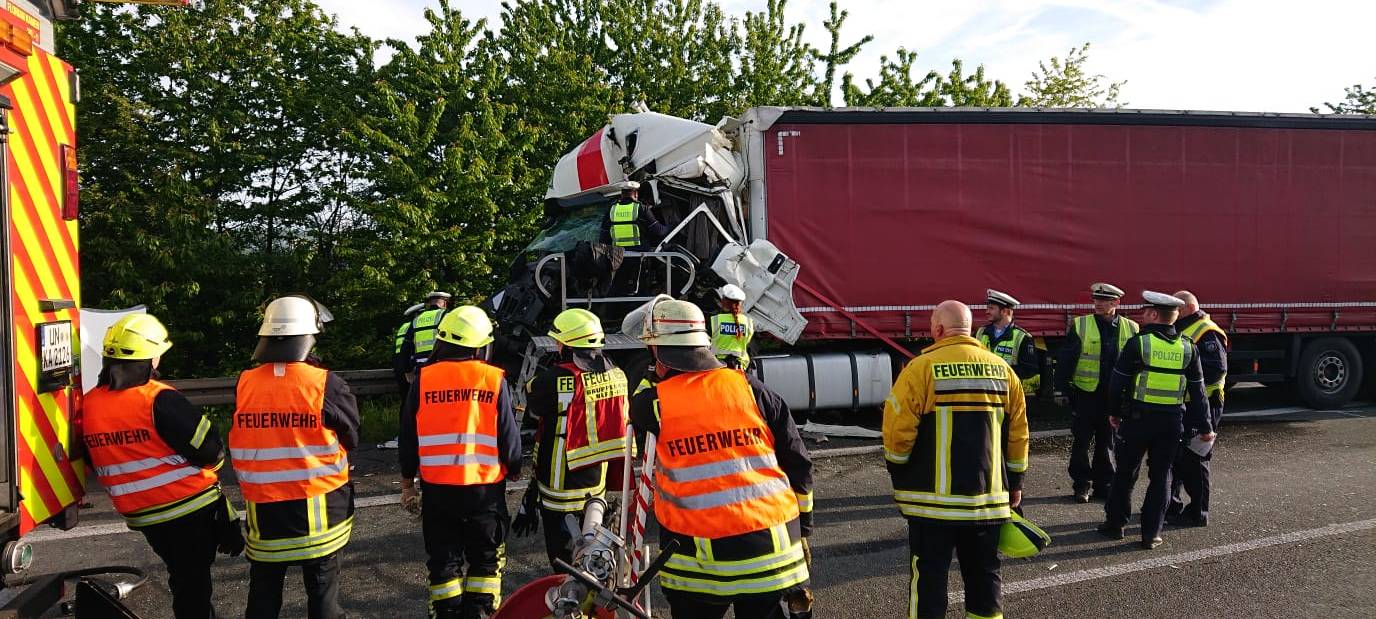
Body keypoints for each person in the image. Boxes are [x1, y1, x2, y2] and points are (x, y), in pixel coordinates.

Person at [626, 296, 813, 619]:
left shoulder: (656, 404)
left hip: (698, 568)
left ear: (657, 351)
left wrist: (654, 372)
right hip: (773, 557)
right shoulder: (753, 389)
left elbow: (638, 403)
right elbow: (798, 462)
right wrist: (804, 528)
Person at [83, 313, 242, 619]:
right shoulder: (158, 399)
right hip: (189, 510)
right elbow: (211, 451)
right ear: (151, 358)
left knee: (185, 579)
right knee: (192, 586)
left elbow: (94, 458)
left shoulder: (89, 404)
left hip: (143, 516)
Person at [884, 300, 1029, 619]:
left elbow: (898, 433)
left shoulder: (921, 369)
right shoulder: (1003, 371)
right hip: (987, 501)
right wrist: (1016, 482)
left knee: (929, 578)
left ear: (938, 329)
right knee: (984, 576)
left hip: (932, 504)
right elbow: (1018, 435)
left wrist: (898, 469)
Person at [231, 296, 360, 619]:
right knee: (323, 597)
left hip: (265, 515)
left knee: (263, 595)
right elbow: (351, 435)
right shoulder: (324, 383)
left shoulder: (245, 382)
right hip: (319, 515)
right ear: (308, 336)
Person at [398, 306, 522, 618]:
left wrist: (407, 483)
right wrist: (514, 468)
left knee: (443, 560)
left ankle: (446, 612)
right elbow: (509, 435)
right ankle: (480, 612)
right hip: (484, 490)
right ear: (481, 345)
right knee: (485, 559)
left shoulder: (424, 380)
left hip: (438, 490)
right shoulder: (493, 379)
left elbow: (408, 436)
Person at [1097, 291, 1216, 550]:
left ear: (1153, 314)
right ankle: (1151, 534)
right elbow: (1198, 393)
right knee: (1162, 477)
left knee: (1125, 472)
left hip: (1138, 420)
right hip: (1171, 423)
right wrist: (1206, 426)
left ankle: (1116, 524)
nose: (1142, 315)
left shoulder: (1139, 344)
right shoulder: (1188, 347)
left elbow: (1117, 384)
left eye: (1145, 311)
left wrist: (1114, 413)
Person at [513, 308, 629, 568]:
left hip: (559, 481)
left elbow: (534, 403)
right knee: (593, 551)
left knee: (563, 558)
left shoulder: (553, 378)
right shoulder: (617, 374)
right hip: (596, 481)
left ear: (567, 344)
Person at [1055, 282, 1138, 503]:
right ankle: (1081, 485)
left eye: (1104, 300)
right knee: (1081, 442)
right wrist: (1061, 388)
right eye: (1096, 299)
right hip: (1086, 393)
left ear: (1116, 302)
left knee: (1107, 442)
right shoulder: (1081, 324)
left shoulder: (1132, 328)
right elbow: (1066, 359)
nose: (1098, 304)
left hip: (1114, 396)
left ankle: (1104, 485)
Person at [1167, 290, 1228, 527]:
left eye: (1176, 308)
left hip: (1204, 405)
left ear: (1187, 308)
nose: (1172, 313)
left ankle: (1198, 512)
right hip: (1187, 404)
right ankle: (1170, 505)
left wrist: (1184, 379)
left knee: (1196, 459)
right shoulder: (1183, 328)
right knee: (1177, 457)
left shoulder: (1206, 331)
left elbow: (1216, 370)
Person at [974, 289, 1041, 397]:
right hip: (983, 394)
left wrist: (1000, 373)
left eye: (991, 308)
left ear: (1005, 311)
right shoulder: (981, 332)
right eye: (987, 308)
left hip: (1008, 395)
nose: (987, 311)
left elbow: (1029, 371)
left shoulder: (1023, 337)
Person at [399, 291, 453, 381]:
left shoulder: (417, 319)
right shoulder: (446, 315)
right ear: (444, 303)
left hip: (421, 367)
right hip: (440, 364)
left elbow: (405, 347)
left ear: (430, 303)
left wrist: (407, 370)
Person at [601, 181, 667, 251]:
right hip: (640, 254)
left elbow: (603, 237)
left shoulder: (612, 209)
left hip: (618, 255)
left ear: (622, 194)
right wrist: (671, 226)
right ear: (636, 194)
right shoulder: (641, 208)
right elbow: (659, 231)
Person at [710, 284, 755, 370]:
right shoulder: (748, 322)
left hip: (718, 366)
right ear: (740, 304)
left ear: (723, 301)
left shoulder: (715, 320)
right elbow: (747, 343)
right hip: (740, 367)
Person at [393, 302, 425, 391]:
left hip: (399, 368)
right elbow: (410, 349)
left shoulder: (403, 327)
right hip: (410, 370)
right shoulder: (415, 327)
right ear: (417, 315)